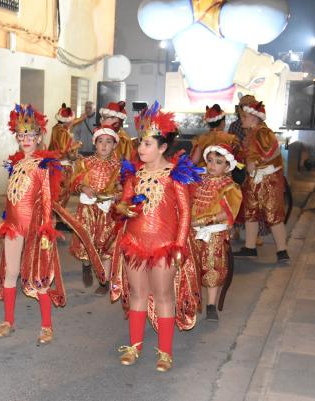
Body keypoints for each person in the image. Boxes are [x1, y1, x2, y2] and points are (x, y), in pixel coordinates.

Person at [0, 104, 104, 344]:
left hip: (36, 227)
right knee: (11, 273)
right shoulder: (15, 163)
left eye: (30, 135)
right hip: (13, 225)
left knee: (41, 276)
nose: (25, 139)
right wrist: (5, 219)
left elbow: (46, 198)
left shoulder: (43, 164)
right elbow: (12, 196)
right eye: (21, 135)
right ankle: (8, 320)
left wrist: (46, 228)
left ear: (39, 136)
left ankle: (46, 325)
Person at [110, 101, 201, 372]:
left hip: (165, 246)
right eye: (140, 143)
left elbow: (185, 213)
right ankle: (134, 346)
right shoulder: (133, 174)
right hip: (135, 243)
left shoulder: (176, 175)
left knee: (163, 297)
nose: (140, 149)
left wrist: (179, 245)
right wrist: (122, 207)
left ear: (163, 147)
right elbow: (123, 206)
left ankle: (165, 352)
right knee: (137, 294)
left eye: (147, 144)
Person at [233, 98, 290, 263]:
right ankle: (250, 247)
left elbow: (272, 152)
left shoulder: (262, 132)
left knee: (272, 213)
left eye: (243, 116)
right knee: (251, 212)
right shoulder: (252, 133)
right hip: (255, 179)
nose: (241, 119)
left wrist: (255, 163)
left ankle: (282, 251)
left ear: (253, 117)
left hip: (268, 180)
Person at [189, 144, 242, 321]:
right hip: (192, 230)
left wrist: (202, 221)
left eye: (218, 162)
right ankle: (190, 298)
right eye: (210, 160)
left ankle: (211, 304)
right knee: (191, 265)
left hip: (214, 233)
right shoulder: (199, 180)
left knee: (212, 267)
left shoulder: (230, 187)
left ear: (227, 166)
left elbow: (227, 213)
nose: (212, 165)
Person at [69, 125, 120, 293]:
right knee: (87, 241)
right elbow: (74, 182)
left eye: (108, 141)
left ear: (114, 145)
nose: (104, 145)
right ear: (94, 143)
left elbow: (123, 186)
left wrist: (119, 194)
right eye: (100, 141)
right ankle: (86, 264)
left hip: (108, 211)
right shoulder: (86, 162)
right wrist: (84, 188)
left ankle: (103, 281)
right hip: (87, 209)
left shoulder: (118, 166)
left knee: (106, 243)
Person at [48, 103, 82, 230]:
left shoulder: (56, 128)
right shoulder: (63, 132)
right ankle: (56, 220)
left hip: (56, 165)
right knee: (63, 194)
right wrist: (77, 145)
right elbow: (64, 150)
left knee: (59, 194)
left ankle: (57, 218)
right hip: (63, 167)